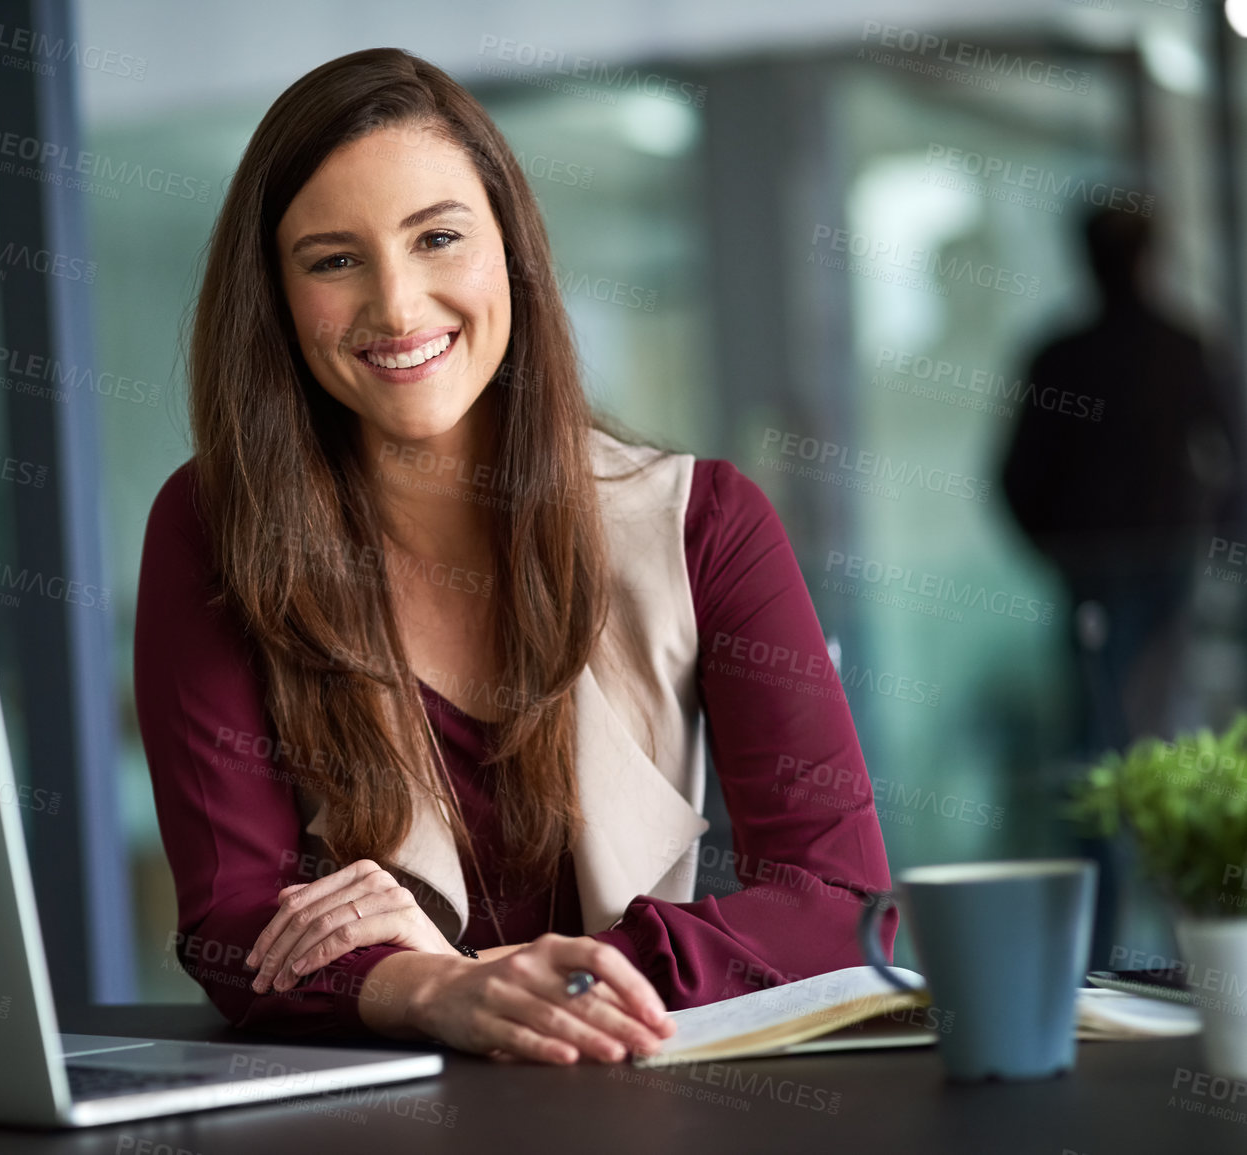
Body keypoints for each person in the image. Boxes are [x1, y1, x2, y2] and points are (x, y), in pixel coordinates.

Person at [133, 47, 894, 1065]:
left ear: (511, 253)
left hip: (627, 1091)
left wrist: (561, 973)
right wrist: (434, 991)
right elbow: (234, 929)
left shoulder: (704, 522)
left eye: (437, 237)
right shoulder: (209, 526)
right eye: (332, 259)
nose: (398, 308)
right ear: (275, 294)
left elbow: (840, 901)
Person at [1004, 207, 1238, 758]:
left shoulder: (1064, 357)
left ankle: (1124, 844)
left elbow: (1017, 477)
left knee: (1106, 726)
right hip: (1143, 557)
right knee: (1152, 717)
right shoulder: (1181, 349)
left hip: (1131, 560)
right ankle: (1150, 843)